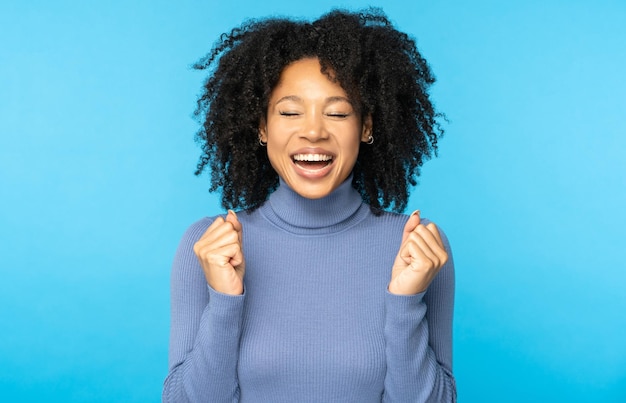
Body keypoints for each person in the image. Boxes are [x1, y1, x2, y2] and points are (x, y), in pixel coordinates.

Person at [163, 8, 456, 403]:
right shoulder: (209, 246)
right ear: (262, 127)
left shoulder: (416, 251)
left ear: (366, 127)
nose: (314, 131)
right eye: (289, 112)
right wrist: (225, 302)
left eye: (337, 112)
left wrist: (405, 302)